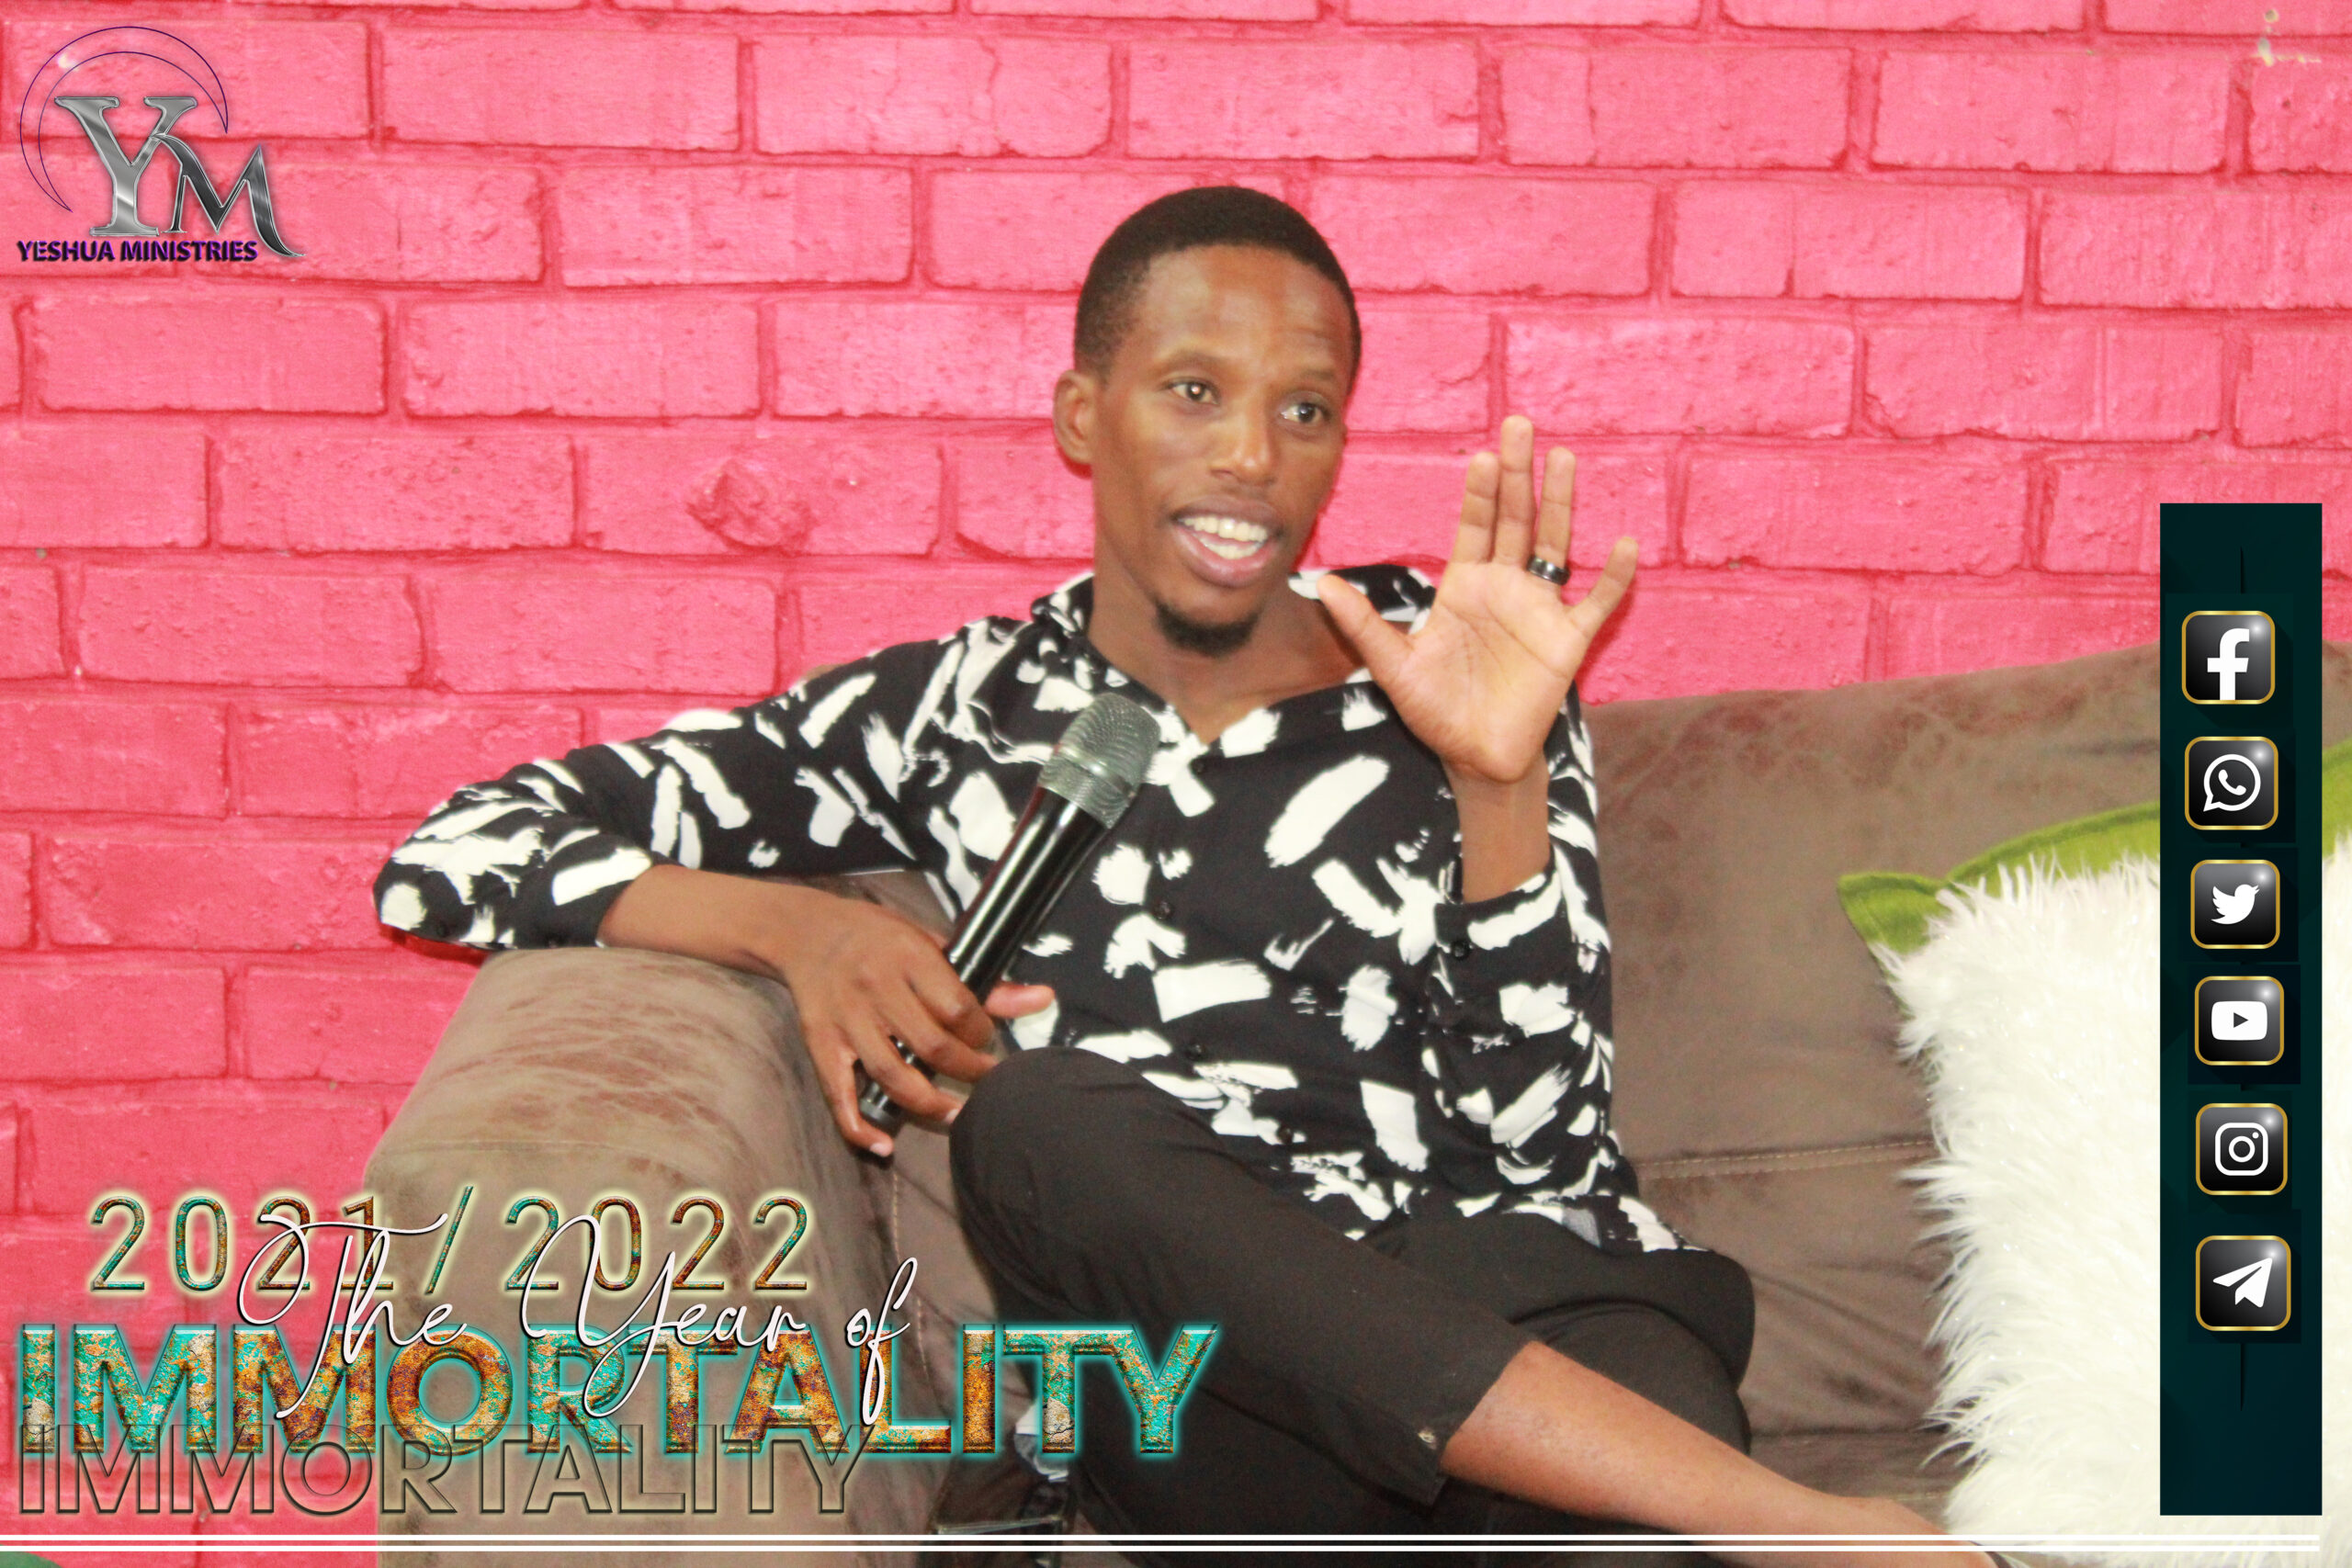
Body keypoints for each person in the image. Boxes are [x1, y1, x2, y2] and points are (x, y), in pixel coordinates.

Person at [374, 187, 1993, 1567]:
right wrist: (791, 926)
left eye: (1305, 410)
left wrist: (1498, 781)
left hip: (1529, 1320)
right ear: (1085, 416)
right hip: (1203, 1396)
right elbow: (452, 852)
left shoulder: (1460, 651)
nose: (1252, 458)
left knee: (1615, 1389)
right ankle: (1786, 1527)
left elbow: (1543, 1144)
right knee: (1037, 1120)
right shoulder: (954, 710)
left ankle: (1715, 1513)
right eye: (1195, 391)